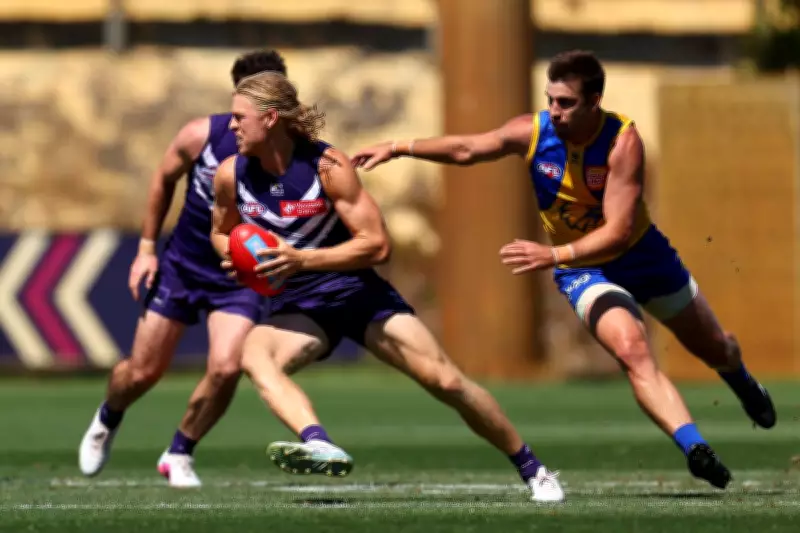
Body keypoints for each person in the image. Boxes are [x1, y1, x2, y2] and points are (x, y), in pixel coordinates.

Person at [350, 49, 776, 490]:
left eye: (566, 103)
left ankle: (741, 381)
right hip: (584, 271)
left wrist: (552, 254)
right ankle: (695, 447)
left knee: (714, 348)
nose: (554, 111)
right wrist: (399, 147)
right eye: (551, 99)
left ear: (595, 101)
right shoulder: (534, 132)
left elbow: (617, 231)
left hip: (643, 258)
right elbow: (467, 148)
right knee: (631, 349)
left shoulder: (622, 142)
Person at [209, 71, 564, 503]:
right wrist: (236, 255)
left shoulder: (327, 166)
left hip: (357, 294)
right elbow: (222, 231)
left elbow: (377, 245)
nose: (230, 126)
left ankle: (534, 469)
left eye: (237, 117)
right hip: (298, 303)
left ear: (269, 119)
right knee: (254, 354)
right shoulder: (230, 175)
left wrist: (303, 259)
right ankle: (317, 440)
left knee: (447, 382)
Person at [78, 50, 289, 488]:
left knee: (227, 367)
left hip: (238, 278)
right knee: (141, 372)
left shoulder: (297, 154)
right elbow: (162, 180)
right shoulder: (203, 136)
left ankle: (179, 452)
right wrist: (146, 249)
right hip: (183, 267)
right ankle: (107, 418)